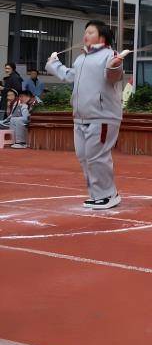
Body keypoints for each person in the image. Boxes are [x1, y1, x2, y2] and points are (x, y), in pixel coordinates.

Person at [46, 20, 127, 210]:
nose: (86, 35)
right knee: (84, 156)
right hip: (81, 116)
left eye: (91, 32)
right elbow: (70, 76)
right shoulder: (81, 59)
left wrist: (115, 66)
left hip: (103, 116)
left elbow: (113, 76)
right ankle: (98, 194)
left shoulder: (110, 55)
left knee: (97, 156)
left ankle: (108, 195)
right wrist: (53, 63)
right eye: (86, 32)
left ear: (102, 37)